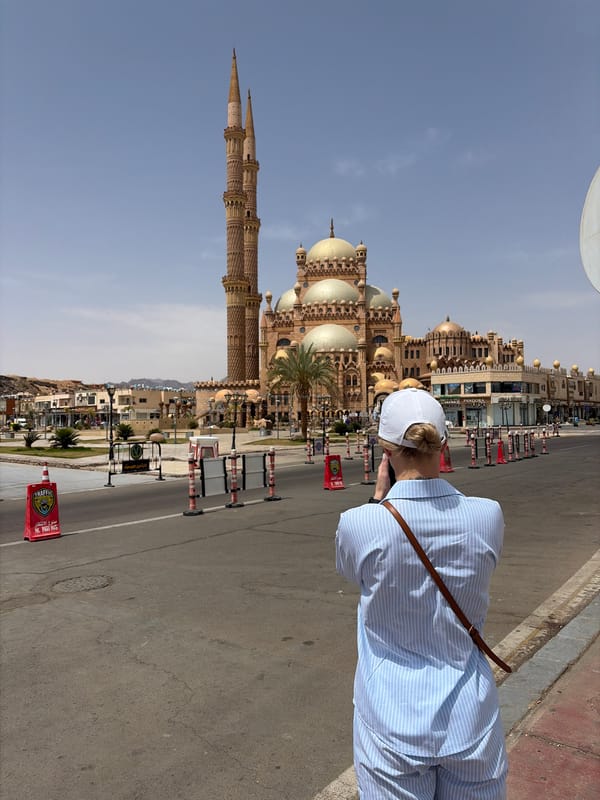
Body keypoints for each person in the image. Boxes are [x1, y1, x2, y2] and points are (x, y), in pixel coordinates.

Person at [336, 388, 507, 799]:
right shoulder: (487, 515)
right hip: (471, 717)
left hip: (391, 718)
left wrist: (379, 498)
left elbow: (351, 571)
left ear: (385, 450)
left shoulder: (359, 523)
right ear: (443, 444)